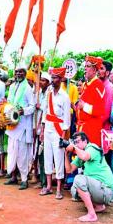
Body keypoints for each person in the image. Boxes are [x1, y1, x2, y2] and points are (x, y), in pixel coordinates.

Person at [65, 132, 113, 222]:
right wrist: (66, 154)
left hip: (106, 190)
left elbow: (85, 156)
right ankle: (99, 206)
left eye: (78, 141)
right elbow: (69, 170)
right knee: (74, 190)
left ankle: (92, 214)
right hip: (100, 189)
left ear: (85, 141)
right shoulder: (80, 154)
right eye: (75, 142)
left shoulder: (91, 147)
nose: (76, 144)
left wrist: (74, 147)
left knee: (78, 179)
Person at [39, 67, 71, 199]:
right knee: (47, 157)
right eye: (52, 78)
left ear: (61, 79)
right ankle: (48, 186)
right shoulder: (49, 93)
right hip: (48, 128)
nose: (53, 80)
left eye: (56, 78)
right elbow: (45, 111)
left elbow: (66, 119)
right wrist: (42, 129)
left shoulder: (65, 96)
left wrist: (63, 136)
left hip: (58, 130)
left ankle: (58, 188)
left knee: (58, 158)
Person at [4, 64, 35, 190]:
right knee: (12, 151)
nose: (18, 74)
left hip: (22, 126)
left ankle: (24, 179)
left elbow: (32, 106)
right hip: (12, 124)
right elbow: (9, 103)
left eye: (21, 72)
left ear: (25, 73)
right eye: (16, 72)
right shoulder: (11, 87)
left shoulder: (28, 88)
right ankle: (13, 176)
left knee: (22, 153)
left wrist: (24, 111)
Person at [76, 56, 106, 147]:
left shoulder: (98, 85)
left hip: (91, 129)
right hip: (82, 128)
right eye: (85, 66)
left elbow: (100, 110)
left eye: (88, 66)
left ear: (94, 70)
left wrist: (84, 106)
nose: (85, 68)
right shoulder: (86, 84)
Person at [98, 61, 113, 130]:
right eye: (98, 68)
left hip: (102, 127)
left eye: (101, 68)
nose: (98, 70)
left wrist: (95, 124)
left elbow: (106, 113)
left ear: (107, 73)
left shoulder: (108, 88)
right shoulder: (99, 85)